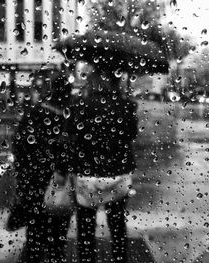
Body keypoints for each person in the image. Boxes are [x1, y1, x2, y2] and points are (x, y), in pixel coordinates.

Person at [65, 62, 138, 263]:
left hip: (87, 173)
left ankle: (87, 259)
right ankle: (119, 258)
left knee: (86, 227)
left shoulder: (80, 104)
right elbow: (131, 134)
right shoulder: (126, 105)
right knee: (117, 225)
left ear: (92, 80)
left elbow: (71, 132)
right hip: (118, 173)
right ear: (116, 81)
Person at [10, 69, 73, 263]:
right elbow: (69, 153)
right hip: (57, 184)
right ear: (68, 93)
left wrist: (22, 178)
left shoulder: (34, 113)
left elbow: (18, 146)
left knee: (35, 234)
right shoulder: (68, 118)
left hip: (32, 183)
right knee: (57, 237)